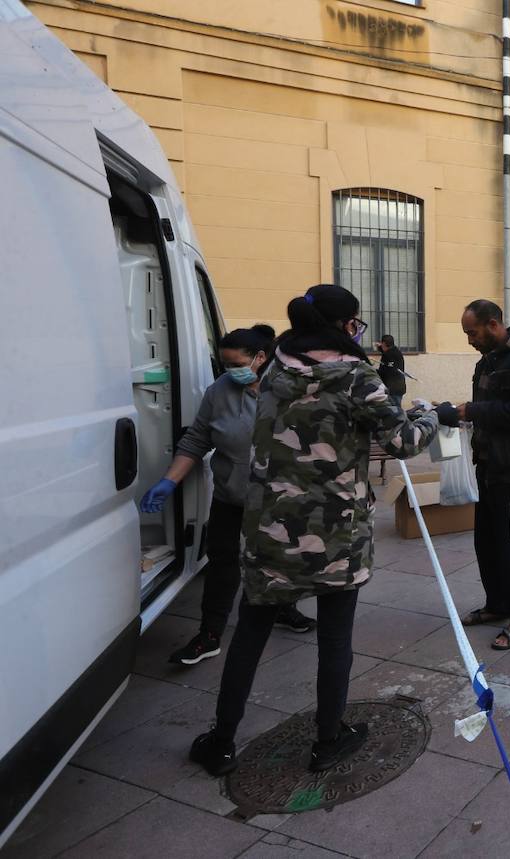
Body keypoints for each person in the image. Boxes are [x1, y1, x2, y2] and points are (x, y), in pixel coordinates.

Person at [189, 284, 439, 777]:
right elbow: (405, 440)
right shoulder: (355, 377)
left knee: (249, 634)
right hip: (334, 535)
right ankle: (329, 741)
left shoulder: (275, 371)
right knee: (335, 638)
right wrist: (434, 415)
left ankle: (220, 740)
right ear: (346, 325)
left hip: (268, 531)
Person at [142, 324, 315, 667]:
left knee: (280, 561)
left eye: (235, 364)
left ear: (260, 358)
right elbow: (196, 439)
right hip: (230, 496)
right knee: (222, 564)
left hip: (276, 500)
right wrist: (169, 481)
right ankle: (209, 635)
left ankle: (284, 608)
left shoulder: (287, 389)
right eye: (223, 364)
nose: (228, 371)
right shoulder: (220, 390)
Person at [437, 299, 510, 652]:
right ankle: (497, 605)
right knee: (487, 543)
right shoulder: (490, 359)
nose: (469, 339)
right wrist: (465, 416)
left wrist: (473, 410)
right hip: (488, 469)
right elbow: (492, 410)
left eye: (473, 331)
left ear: (494, 324)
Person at [375, 334, 406, 407]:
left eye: (382, 344)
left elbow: (387, 371)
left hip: (393, 389)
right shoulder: (395, 351)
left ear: (384, 343)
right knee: (396, 410)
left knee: (394, 411)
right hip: (398, 387)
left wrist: (374, 371)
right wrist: (379, 347)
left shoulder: (389, 355)